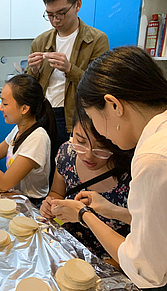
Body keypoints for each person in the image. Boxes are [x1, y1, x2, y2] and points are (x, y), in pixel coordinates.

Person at [51, 46, 167, 290]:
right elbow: (158, 222)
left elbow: (145, 270)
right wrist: (114, 211)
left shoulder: (152, 158)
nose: (99, 134)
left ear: (114, 105)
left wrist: (84, 215)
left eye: (94, 119)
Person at [40, 108, 132, 263]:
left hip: (112, 260)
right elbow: (57, 192)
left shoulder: (132, 176)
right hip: (65, 248)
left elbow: (139, 248)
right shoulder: (66, 154)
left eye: (101, 147)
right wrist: (51, 205)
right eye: (80, 142)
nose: (88, 155)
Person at [25, 0, 109, 154]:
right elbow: (29, 85)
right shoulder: (40, 41)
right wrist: (34, 70)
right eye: (50, 15)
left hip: (74, 116)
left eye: (61, 13)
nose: (56, 20)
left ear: (77, 5)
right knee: (41, 165)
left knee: (67, 167)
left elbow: (99, 86)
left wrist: (70, 69)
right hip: (42, 113)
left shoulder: (96, 39)